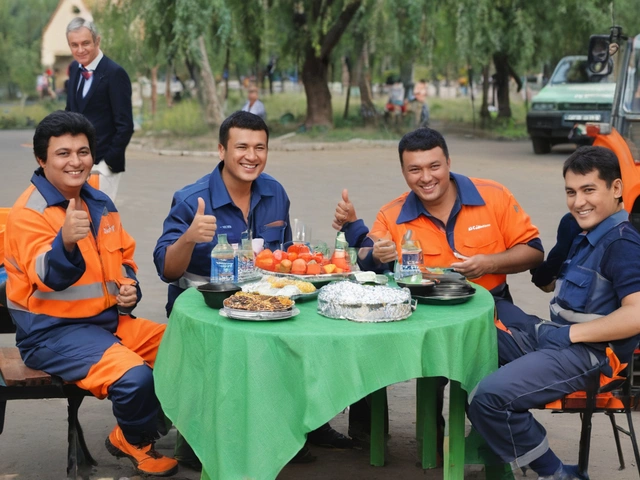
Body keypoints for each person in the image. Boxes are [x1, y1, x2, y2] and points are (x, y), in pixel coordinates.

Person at [153, 110, 350, 469]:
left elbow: (286, 257)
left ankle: (303, 426)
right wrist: (188, 237)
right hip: (207, 308)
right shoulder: (191, 199)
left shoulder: (274, 192)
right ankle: (202, 438)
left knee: (312, 331)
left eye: (260, 147)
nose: (251, 156)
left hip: (269, 302)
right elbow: (167, 270)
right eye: (241, 146)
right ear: (221, 150)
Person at [332, 126, 544, 448]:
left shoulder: (494, 196)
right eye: (414, 169)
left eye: (434, 166)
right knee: (372, 348)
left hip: (488, 305)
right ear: (403, 172)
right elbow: (367, 255)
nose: (426, 178)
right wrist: (376, 252)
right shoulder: (392, 214)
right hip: (421, 313)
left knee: (505, 364)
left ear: (448, 162)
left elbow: (533, 250)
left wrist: (489, 263)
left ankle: (489, 438)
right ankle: (420, 442)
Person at [3, 111, 177, 477]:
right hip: (52, 333)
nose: (75, 161)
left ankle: (164, 428)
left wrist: (130, 289)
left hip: (107, 322)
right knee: (135, 378)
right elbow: (46, 275)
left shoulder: (99, 202)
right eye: (63, 153)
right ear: (41, 159)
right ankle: (134, 438)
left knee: (190, 350)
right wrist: (65, 241)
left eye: (83, 152)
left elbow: (124, 259)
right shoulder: (28, 214)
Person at [468, 145, 640, 480]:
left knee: (488, 399)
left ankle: (556, 473)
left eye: (589, 190)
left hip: (589, 355)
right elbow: (548, 285)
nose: (579, 202)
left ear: (616, 189)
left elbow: (636, 314)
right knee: (475, 332)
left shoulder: (621, 244)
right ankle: (491, 442)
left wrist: (570, 334)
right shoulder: (585, 233)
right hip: (556, 339)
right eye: (571, 192)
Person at [65, 17, 134, 202]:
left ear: (97, 41)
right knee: (78, 219)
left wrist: (107, 164)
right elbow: (70, 112)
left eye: (86, 43)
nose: (80, 50)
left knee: (101, 220)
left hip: (103, 166)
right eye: (74, 45)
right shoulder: (74, 68)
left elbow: (125, 125)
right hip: (76, 163)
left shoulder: (115, 74)